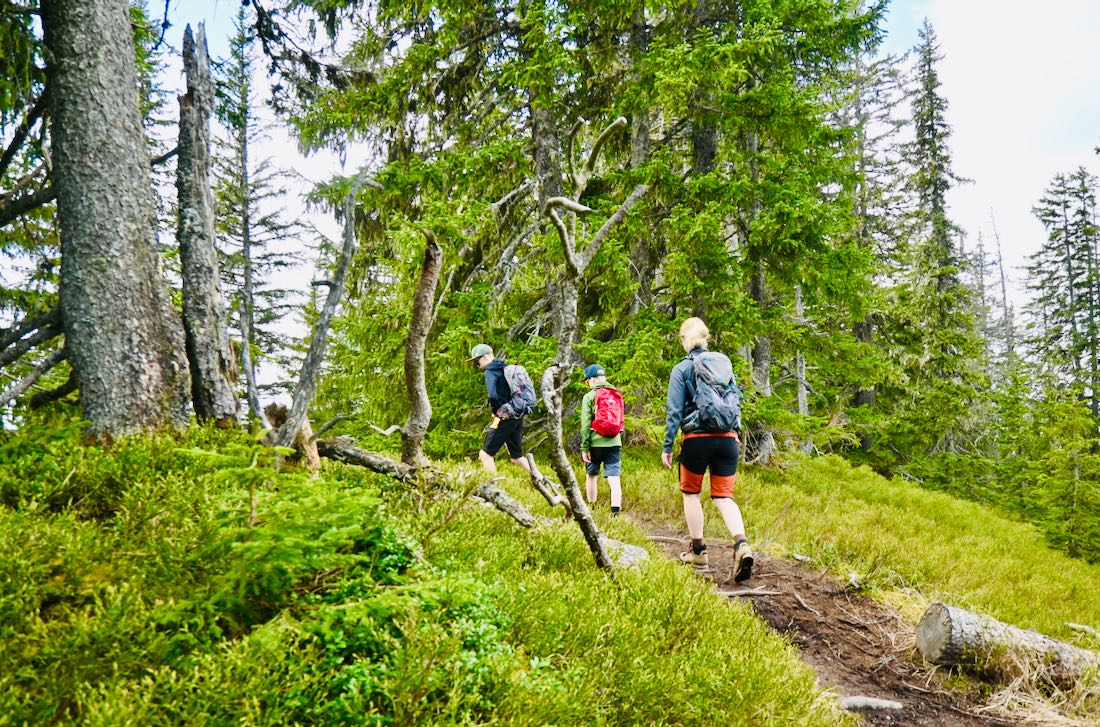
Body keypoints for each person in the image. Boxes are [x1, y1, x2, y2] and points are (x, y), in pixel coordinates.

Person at [661, 317, 753, 581]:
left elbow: (675, 411)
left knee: (691, 493)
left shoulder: (681, 369)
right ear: (706, 338)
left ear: (683, 340)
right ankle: (741, 544)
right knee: (724, 497)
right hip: (728, 438)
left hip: (697, 440)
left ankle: (699, 553)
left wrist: (667, 445)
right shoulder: (723, 364)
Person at [470, 343, 533, 475]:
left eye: (477, 360)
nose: (477, 365)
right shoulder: (504, 367)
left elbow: (493, 395)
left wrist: (497, 411)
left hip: (505, 417)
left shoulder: (490, 371)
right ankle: (540, 479)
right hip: (517, 415)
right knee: (517, 457)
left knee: (485, 454)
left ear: (486, 357)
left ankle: (495, 487)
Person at [579, 364, 623, 514]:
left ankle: (592, 508)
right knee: (614, 478)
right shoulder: (616, 394)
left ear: (591, 380)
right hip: (615, 442)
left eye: (587, 381)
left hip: (595, 443)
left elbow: (585, 424)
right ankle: (615, 513)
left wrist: (584, 447)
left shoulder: (589, 396)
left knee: (591, 475)